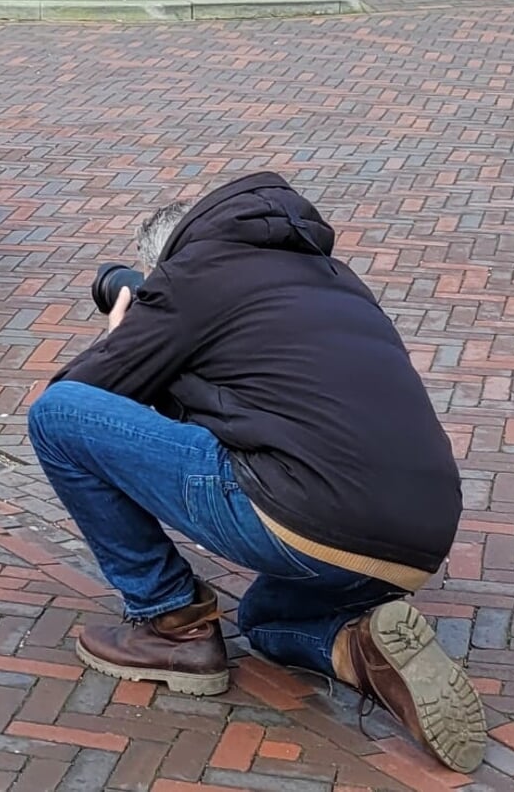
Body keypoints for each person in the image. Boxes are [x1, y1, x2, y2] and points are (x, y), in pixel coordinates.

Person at [25, 171, 486, 774]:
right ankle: (358, 648)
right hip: (416, 542)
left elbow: (83, 401)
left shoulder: (197, 273)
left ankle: (172, 624)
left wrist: (124, 334)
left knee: (56, 416)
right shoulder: (337, 280)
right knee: (266, 619)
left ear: (166, 260)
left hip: (311, 516)